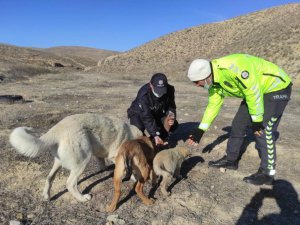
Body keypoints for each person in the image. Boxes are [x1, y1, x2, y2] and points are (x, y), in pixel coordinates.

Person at [187, 53, 292, 185]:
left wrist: (257, 120)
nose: (196, 85)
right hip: (255, 92)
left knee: (263, 129)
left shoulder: (233, 68)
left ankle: (267, 173)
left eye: (197, 82)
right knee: (238, 124)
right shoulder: (212, 82)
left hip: (276, 88)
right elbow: (213, 105)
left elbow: (253, 91)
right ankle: (231, 160)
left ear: (205, 76)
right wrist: (201, 129)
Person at [127, 73, 178, 146]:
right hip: (138, 112)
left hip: (156, 111)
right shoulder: (143, 95)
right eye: (157, 90)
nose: (160, 93)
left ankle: (157, 141)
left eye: (162, 90)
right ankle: (145, 143)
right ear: (151, 85)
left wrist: (171, 115)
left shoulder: (170, 90)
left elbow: (171, 106)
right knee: (138, 131)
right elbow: (147, 117)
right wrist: (155, 134)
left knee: (173, 124)